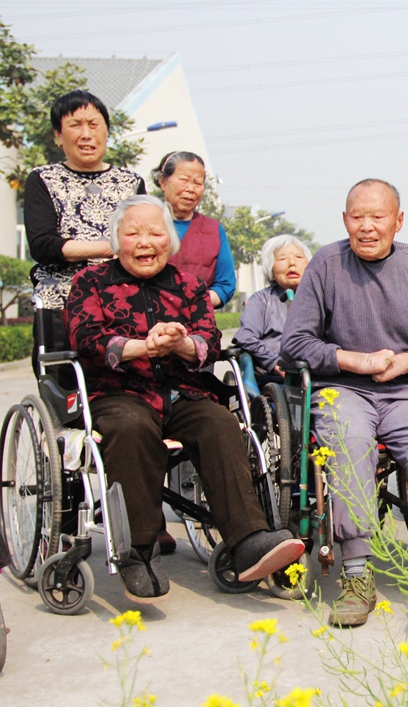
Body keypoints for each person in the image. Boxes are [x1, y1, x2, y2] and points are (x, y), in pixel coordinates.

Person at [65, 195, 304, 603]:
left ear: (170, 240)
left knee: (221, 424)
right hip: (117, 391)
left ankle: (249, 539)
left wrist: (182, 344)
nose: (145, 242)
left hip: (181, 390)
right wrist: (142, 347)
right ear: (116, 240)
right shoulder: (90, 282)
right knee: (131, 427)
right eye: (133, 233)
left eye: (155, 232)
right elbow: (86, 339)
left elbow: (209, 341)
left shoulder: (189, 285)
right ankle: (139, 549)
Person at [281, 179, 408, 627]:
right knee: (349, 440)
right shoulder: (325, 264)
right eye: (357, 217)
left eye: (377, 217)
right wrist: (353, 360)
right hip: (343, 390)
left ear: (398, 221)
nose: (367, 226)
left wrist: (407, 361)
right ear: (345, 220)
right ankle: (357, 573)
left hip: (407, 391)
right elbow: (294, 343)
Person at [25, 90, 145, 376]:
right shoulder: (42, 180)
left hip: (125, 299)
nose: (86, 134)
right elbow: (44, 245)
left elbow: (146, 238)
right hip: (62, 300)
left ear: (107, 132)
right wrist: (112, 247)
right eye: (75, 125)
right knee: (67, 384)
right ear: (58, 136)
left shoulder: (131, 183)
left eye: (94, 124)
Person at [152, 151, 237, 308]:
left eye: (198, 183)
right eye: (184, 180)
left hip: (197, 317)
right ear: (162, 182)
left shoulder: (213, 230)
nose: (191, 189)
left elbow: (225, 285)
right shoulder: (145, 223)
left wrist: (196, 302)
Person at [233, 234, 312, 394]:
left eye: (299, 257)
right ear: (271, 269)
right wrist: (276, 364)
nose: (292, 263)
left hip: (315, 377)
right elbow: (245, 337)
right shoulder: (261, 300)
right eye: (282, 258)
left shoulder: (319, 299)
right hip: (273, 381)